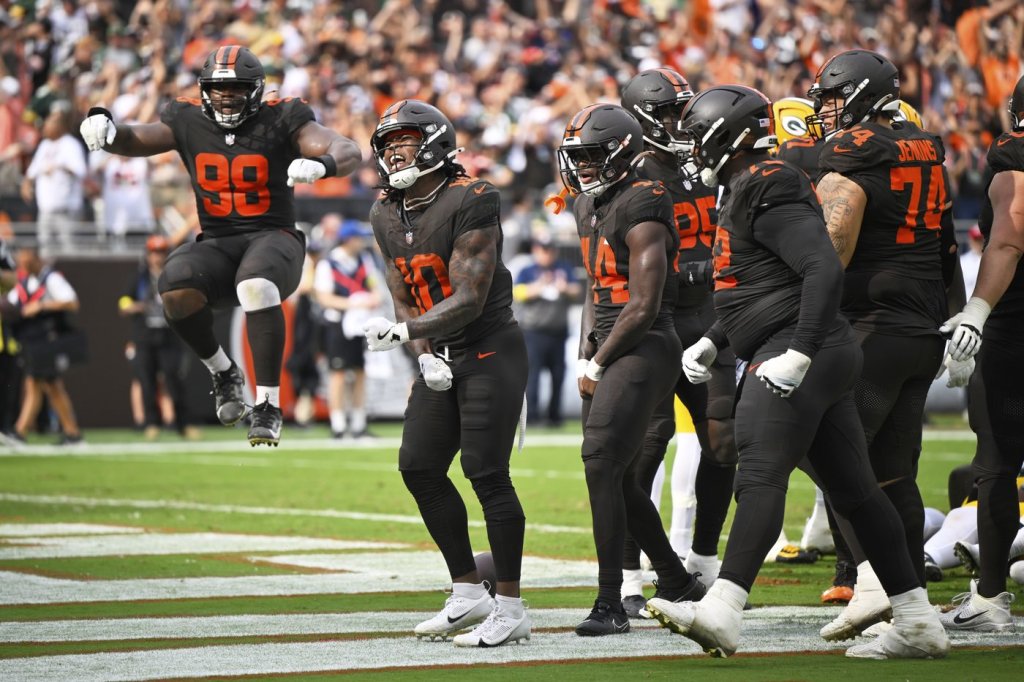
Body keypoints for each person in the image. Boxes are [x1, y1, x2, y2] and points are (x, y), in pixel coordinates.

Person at [646, 84, 948, 661]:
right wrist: (715, 339)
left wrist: (800, 351)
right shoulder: (749, 182)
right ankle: (916, 620)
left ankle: (722, 610)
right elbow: (764, 284)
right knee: (856, 492)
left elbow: (821, 267)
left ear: (728, 136)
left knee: (760, 474)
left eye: (699, 136)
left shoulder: (766, 181)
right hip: (807, 344)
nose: (692, 147)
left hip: (799, 348)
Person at [79, 45, 361, 446]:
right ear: (204, 89)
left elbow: (347, 149)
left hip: (275, 237)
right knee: (174, 284)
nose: (226, 97)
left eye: (236, 88)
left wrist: (323, 164)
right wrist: (105, 128)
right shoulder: (187, 118)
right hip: (219, 242)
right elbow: (135, 138)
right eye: (218, 88)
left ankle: (267, 404)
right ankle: (224, 371)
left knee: (256, 284)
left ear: (256, 89)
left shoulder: (283, 116)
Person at [809, 49, 965, 640]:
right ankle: (912, 600)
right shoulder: (925, 146)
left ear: (861, 93)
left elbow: (833, 250)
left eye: (832, 96)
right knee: (895, 473)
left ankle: (878, 586)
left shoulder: (852, 151)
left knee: (831, 455)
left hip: (872, 327)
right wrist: (957, 317)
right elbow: (947, 245)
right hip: (922, 329)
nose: (826, 109)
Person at [362, 99, 530, 647]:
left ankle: (511, 607)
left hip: (489, 348)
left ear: (434, 143)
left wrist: (406, 334)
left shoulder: (472, 196)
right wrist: (423, 353)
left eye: (404, 141)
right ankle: (468, 590)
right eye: (387, 144)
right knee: (419, 466)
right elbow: (403, 293)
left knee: (486, 472)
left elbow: (470, 297)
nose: (394, 152)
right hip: (442, 354)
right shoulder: (385, 211)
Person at [558, 102, 705, 636]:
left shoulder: (646, 198)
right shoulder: (586, 204)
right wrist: (586, 350)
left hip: (646, 343)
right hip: (607, 343)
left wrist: (598, 361)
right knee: (613, 472)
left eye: (593, 155)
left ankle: (611, 601)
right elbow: (594, 289)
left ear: (622, 153)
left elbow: (643, 304)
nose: (583, 166)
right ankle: (676, 578)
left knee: (600, 462)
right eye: (577, 156)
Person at [618, 68, 738, 617]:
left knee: (723, 442)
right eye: (668, 113)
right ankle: (628, 574)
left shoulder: (711, 163)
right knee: (644, 449)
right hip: (652, 320)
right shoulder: (627, 174)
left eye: (683, 111)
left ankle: (704, 562)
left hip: (709, 320)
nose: (680, 122)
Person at [937, 74, 1024, 632]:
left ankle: (990, 597)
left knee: (996, 464)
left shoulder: (1014, 159)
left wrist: (977, 310)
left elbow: (1010, 238)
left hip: (1016, 334)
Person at [118, 235, 197, 440]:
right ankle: (151, 423)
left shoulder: (174, 276)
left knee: (173, 378)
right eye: (154, 253)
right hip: (145, 335)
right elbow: (124, 300)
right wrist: (133, 306)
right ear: (148, 255)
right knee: (147, 380)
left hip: (169, 334)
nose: (157, 257)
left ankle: (183, 424)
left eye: (161, 252)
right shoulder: (139, 277)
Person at [5, 243, 84, 445]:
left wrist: (41, 305)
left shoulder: (52, 278)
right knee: (51, 385)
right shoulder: (26, 281)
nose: (23, 265)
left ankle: (20, 432)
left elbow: (72, 302)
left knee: (36, 384)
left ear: (36, 259)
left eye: (27, 261)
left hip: (47, 339)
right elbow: (12, 303)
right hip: (30, 340)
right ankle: (72, 433)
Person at [314, 220, 381, 439]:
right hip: (338, 324)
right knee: (339, 374)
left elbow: (374, 287)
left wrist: (372, 299)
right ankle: (338, 424)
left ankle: (359, 423)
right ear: (348, 239)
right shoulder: (328, 264)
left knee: (361, 372)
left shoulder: (364, 260)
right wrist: (354, 303)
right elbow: (324, 298)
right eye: (358, 238)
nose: (362, 242)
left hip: (361, 324)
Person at [513, 234, 580, 427]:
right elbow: (517, 293)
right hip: (534, 332)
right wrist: (539, 287)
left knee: (558, 375)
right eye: (543, 250)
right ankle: (532, 417)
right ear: (536, 251)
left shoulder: (564, 268)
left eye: (550, 250)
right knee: (532, 376)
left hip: (558, 332)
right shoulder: (528, 270)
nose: (547, 254)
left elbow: (577, 291)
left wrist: (564, 288)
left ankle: (554, 416)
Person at [21, 103, 87, 254]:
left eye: (49, 124)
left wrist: (60, 167)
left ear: (60, 126)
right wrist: (27, 185)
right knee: (45, 250)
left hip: (67, 209)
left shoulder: (71, 144)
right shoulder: (44, 145)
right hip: (46, 209)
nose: (45, 127)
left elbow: (81, 171)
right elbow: (31, 172)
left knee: (69, 250)